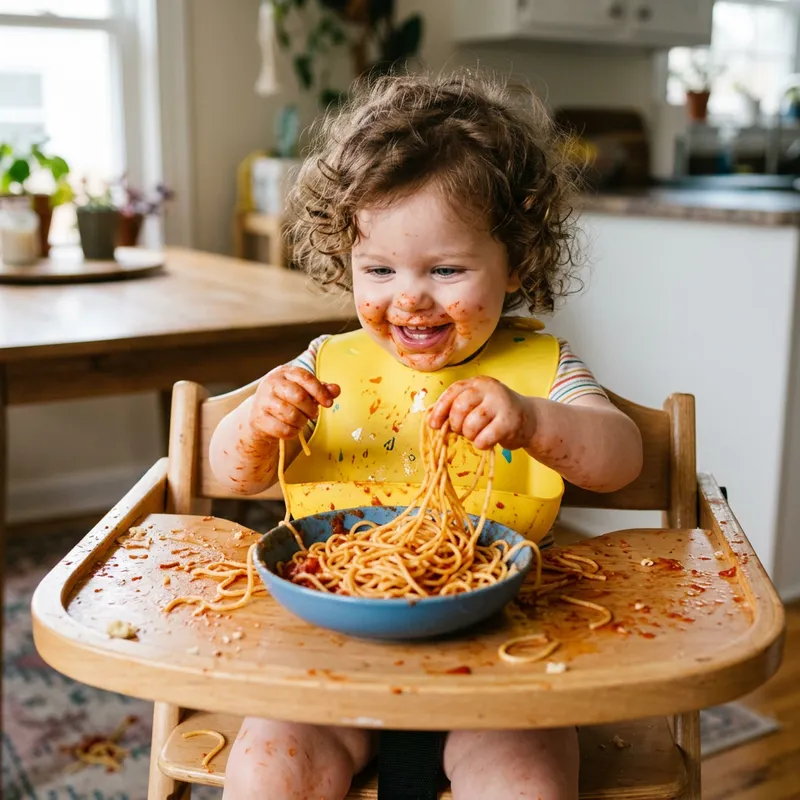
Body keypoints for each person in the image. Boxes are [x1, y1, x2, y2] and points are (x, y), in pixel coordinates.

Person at [209, 69, 643, 800]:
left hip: (502, 642)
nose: (408, 297)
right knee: (268, 767)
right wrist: (256, 423)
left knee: (529, 780)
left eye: (446, 269)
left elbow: (621, 457)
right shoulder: (322, 365)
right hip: (333, 641)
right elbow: (229, 470)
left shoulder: (541, 370)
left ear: (516, 263)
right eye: (377, 268)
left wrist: (536, 420)